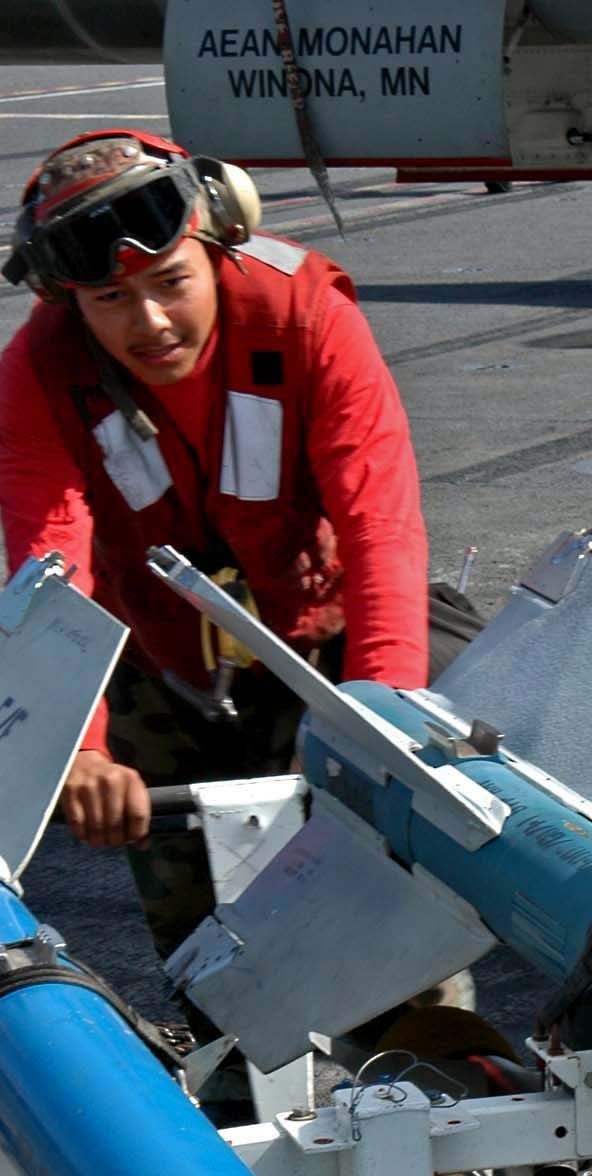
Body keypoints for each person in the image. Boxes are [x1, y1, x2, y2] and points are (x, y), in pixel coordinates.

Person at [0, 128, 451, 972]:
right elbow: (48, 562)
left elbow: (379, 524)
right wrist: (81, 747)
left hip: (321, 648)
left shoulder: (306, 317)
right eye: (111, 298)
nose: (150, 323)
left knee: (396, 943)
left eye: (172, 281)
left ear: (217, 245)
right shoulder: (39, 369)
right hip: (158, 661)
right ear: (68, 299)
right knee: (207, 964)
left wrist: (376, 720)